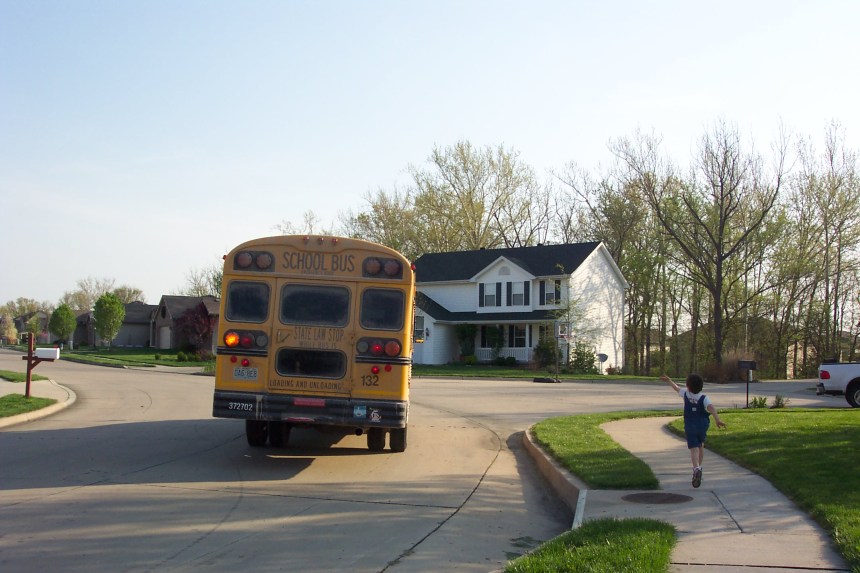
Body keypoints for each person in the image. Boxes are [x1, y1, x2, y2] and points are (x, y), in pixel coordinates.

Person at [660, 373, 726, 488]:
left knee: (693, 448)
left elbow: (677, 389)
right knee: (700, 445)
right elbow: (711, 407)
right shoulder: (704, 398)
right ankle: (698, 468)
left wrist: (669, 380)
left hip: (690, 425)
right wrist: (717, 419)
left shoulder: (686, 393)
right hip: (702, 426)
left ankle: (696, 468)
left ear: (688, 386)